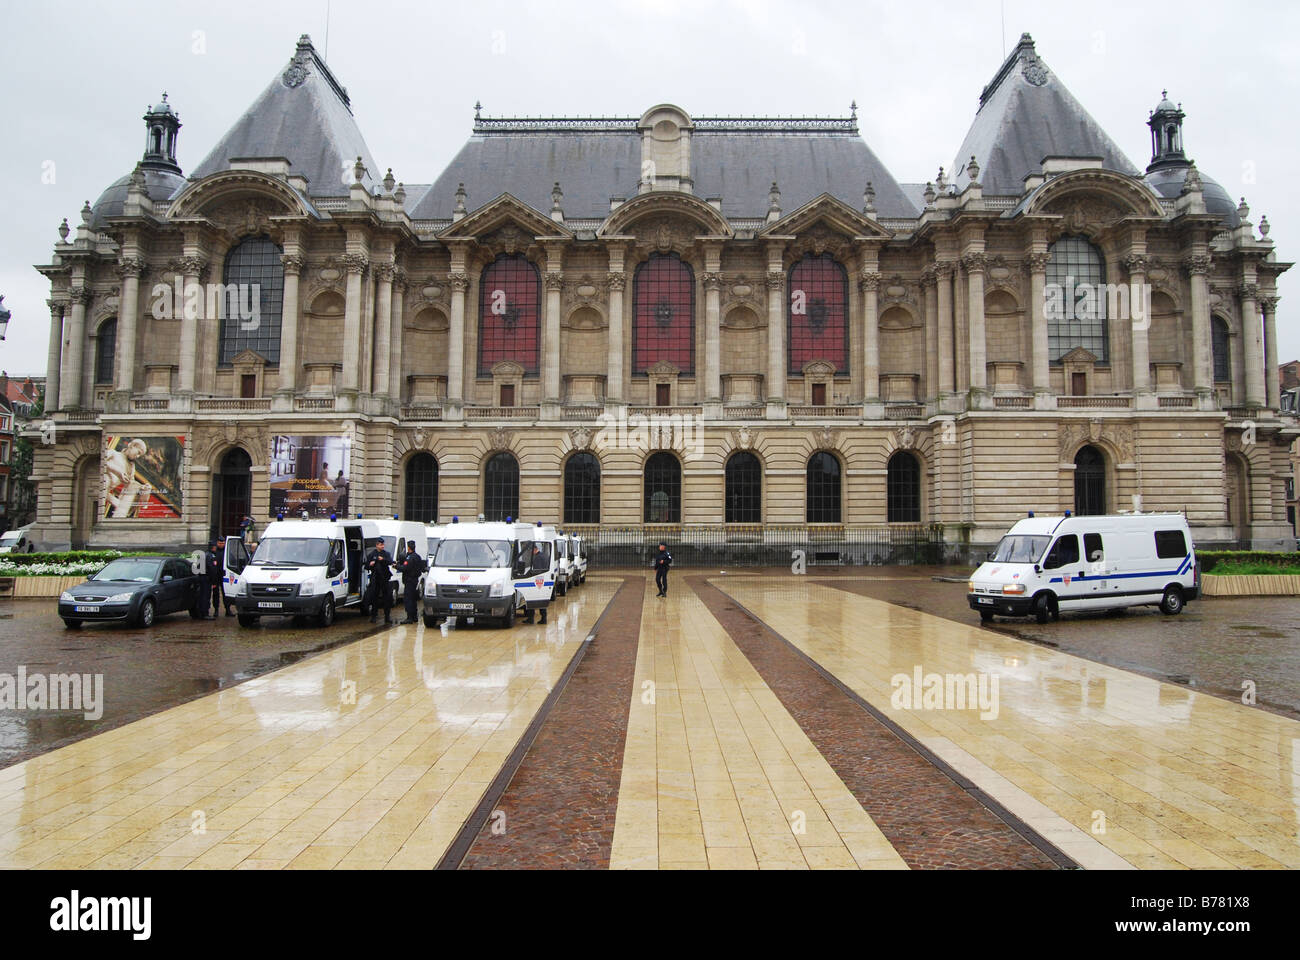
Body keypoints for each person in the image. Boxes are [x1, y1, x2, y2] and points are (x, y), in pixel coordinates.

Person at [364, 537, 395, 624]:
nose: (382, 546)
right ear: (377, 545)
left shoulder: (386, 554)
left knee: (387, 598)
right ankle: (374, 616)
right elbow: (366, 566)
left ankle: (387, 616)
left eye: (383, 544)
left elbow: (390, 562)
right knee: (374, 598)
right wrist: (370, 564)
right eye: (381, 545)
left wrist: (383, 560)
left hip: (384, 578)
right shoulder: (372, 554)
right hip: (375, 578)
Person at [396, 541, 426, 625]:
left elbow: (404, 568)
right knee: (413, 599)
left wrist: (396, 566)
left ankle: (409, 617)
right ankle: (415, 617)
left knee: (408, 599)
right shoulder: (417, 557)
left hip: (409, 580)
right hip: (415, 580)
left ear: (409, 548)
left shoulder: (410, 557)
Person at [522, 543, 549, 625]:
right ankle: (543, 618)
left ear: (534, 549)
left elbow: (537, 571)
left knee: (531, 599)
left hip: (537, 581)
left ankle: (531, 618)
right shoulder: (544, 555)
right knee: (542, 601)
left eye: (531, 550)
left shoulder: (537, 558)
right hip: (543, 581)